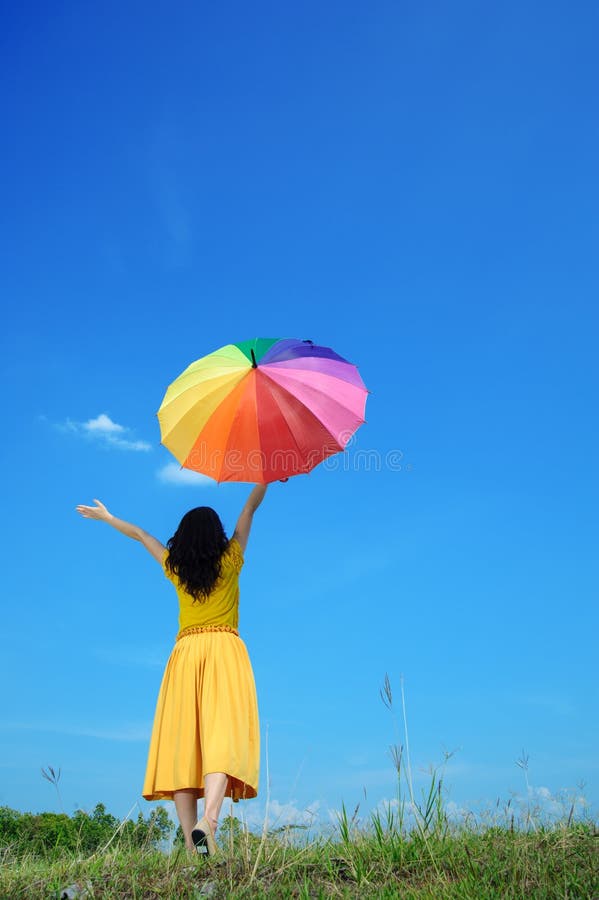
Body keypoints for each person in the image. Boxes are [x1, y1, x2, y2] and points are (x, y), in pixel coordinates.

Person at [75, 484, 268, 854]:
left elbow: (141, 534)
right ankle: (209, 821)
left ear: (184, 538)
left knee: (185, 746)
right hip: (224, 650)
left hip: (185, 653)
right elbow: (249, 508)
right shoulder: (230, 561)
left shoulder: (175, 568)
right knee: (221, 739)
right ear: (217, 534)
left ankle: (191, 850)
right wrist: (265, 476)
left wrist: (108, 517)